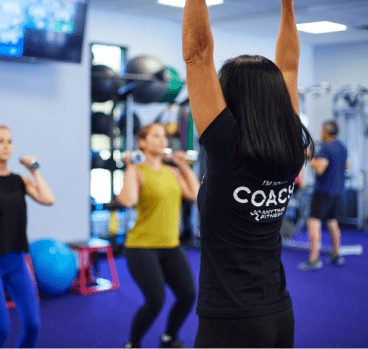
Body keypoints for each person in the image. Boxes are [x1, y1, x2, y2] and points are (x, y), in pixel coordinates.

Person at [182, 0, 315, 348]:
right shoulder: (292, 148)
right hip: (279, 314)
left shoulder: (227, 147)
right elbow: (288, 67)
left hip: (230, 320)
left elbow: (198, 55)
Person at [0, 125, 55, 348]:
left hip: (17, 262)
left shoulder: (20, 181)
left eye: (9, 141)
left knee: (33, 325)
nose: (6, 146)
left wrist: (34, 171)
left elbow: (48, 199)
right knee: (0, 330)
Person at [117, 123, 200, 349]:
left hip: (171, 246)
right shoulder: (139, 171)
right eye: (155, 136)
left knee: (188, 295)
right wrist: (131, 166)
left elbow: (195, 194)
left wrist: (183, 165)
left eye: (164, 136)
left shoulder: (171, 171)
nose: (163, 140)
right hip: (142, 247)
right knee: (155, 300)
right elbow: (129, 200)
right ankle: (132, 344)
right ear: (141, 142)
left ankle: (169, 338)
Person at [298, 120, 348, 271]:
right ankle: (336, 254)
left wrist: (309, 157)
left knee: (313, 222)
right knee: (333, 222)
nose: (320, 133)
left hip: (324, 192)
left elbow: (320, 168)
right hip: (338, 191)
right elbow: (347, 165)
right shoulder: (342, 147)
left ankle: (314, 259)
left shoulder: (326, 148)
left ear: (326, 131)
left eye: (321, 130)